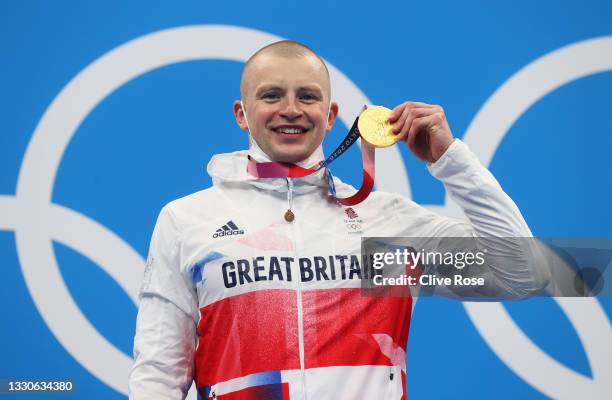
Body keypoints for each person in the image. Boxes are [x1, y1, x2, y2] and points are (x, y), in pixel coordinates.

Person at [128, 40, 550, 399]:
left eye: (308, 97)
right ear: (242, 113)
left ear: (331, 116)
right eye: (272, 95)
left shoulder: (385, 223)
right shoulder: (187, 219)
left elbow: (523, 273)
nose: (290, 110)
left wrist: (450, 160)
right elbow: (158, 374)